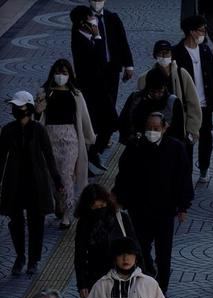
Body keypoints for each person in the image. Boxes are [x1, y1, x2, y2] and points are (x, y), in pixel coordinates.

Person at [112, 112, 194, 294]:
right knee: (140, 247)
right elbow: (124, 174)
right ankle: (147, 277)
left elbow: (183, 178)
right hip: (138, 208)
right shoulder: (135, 147)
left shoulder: (175, 148)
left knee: (164, 252)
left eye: (156, 128)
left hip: (165, 209)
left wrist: (183, 206)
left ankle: (162, 288)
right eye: (149, 128)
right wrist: (118, 197)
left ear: (164, 128)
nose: (152, 132)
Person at [0, 91, 63, 276]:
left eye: (19, 107)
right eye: (14, 107)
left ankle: (33, 259)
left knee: (37, 222)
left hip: (36, 183)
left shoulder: (38, 130)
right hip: (14, 183)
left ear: (28, 108)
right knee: (16, 222)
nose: (15, 110)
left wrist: (57, 180)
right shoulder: (8, 130)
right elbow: (1, 158)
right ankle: (20, 257)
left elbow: (49, 156)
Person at [35, 58, 95, 228]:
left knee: (67, 175)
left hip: (70, 138)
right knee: (51, 175)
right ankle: (58, 203)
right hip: (49, 137)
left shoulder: (75, 94)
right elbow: (38, 118)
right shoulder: (44, 92)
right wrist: (37, 111)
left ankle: (67, 213)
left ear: (70, 75)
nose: (60, 76)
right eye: (58, 72)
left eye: (64, 73)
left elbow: (84, 117)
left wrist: (89, 137)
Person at [173, 15, 213, 182]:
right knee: (187, 138)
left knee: (206, 137)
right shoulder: (177, 52)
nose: (204, 33)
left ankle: (204, 168)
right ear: (191, 31)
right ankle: (186, 171)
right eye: (201, 30)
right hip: (186, 105)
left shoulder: (204, 50)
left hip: (205, 103)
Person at [70, 5, 119, 172]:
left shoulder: (85, 35)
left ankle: (93, 153)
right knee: (98, 124)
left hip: (100, 88)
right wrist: (98, 36)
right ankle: (90, 156)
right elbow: (98, 59)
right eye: (91, 18)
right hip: (91, 91)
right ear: (83, 23)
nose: (95, 20)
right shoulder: (80, 40)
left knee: (109, 123)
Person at [137, 39, 202, 166]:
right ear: (155, 55)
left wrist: (191, 131)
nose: (163, 57)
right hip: (154, 133)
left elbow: (193, 104)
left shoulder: (182, 74)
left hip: (179, 133)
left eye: (166, 53)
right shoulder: (144, 79)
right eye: (160, 54)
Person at [74, 183, 141, 298]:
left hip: (124, 275)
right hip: (97, 278)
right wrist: (82, 283)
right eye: (96, 207)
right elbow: (80, 254)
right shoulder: (84, 224)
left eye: (103, 205)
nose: (100, 210)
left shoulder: (121, 218)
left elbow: (135, 247)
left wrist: (142, 276)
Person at [118, 69, 185, 148]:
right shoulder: (136, 99)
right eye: (153, 91)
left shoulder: (173, 102)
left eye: (160, 91)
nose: (156, 95)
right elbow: (123, 122)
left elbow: (178, 132)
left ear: (165, 87)